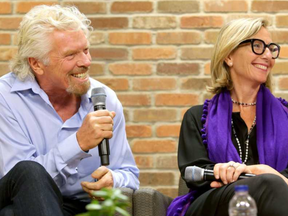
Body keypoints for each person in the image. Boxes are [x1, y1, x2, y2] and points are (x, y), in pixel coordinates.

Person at [0, 5, 139, 216]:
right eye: (71, 55)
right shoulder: (6, 98)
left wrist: (114, 179)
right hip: (16, 197)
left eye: (85, 50)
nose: (86, 62)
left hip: (80, 206)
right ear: (37, 64)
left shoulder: (105, 99)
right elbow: (20, 180)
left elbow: (129, 174)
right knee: (29, 171)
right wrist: (78, 143)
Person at [167, 18, 288, 216]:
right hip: (213, 204)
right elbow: (193, 174)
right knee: (269, 183)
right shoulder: (197, 117)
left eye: (271, 48)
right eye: (257, 46)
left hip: (278, 201)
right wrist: (224, 171)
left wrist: (264, 172)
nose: (268, 55)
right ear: (229, 56)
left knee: (272, 184)